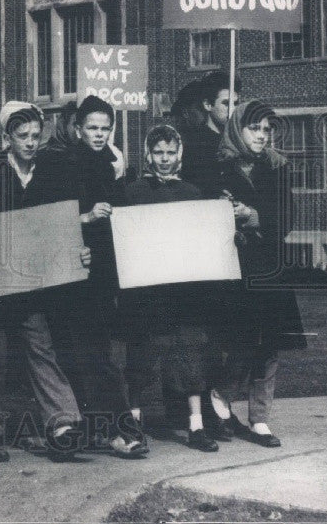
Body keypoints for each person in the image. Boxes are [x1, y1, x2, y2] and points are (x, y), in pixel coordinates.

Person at [26, 96, 148, 458]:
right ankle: (115, 429)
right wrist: (85, 217)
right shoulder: (55, 163)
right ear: (77, 128)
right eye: (92, 128)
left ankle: (101, 429)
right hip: (66, 273)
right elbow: (37, 219)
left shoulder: (110, 164)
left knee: (94, 352)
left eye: (105, 128)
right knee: (85, 353)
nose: (99, 134)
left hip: (100, 275)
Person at [0, 102, 85, 463]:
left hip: (34, 284)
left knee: (41, 350)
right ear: (6, 138)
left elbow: (60, 224)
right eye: (23, 136)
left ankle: (64, 425)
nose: (31, 142)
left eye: (36, 135)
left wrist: (76, 250)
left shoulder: (50, 173)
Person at [208, 100, 306, 448]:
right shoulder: (216, 169)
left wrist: (253, 215)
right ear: (238, 129)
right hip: (235, 267)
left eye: (267, 130)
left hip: (271, 267)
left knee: (271, 345)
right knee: (242, 341)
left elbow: (287, 219)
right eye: (255, 128)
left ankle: (260, 418)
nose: (263, 136)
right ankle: (220, 397)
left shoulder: (277, 168)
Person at [122, 124, 219, 453]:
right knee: (142, 358)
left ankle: (196, 425)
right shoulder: (133, 192)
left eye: (170, 153)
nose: (164, 159)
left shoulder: (192, 192)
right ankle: (133, 425)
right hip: (146, 291)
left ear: (179, 155)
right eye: (158, 152)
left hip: (181, 290)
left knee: (190, 354)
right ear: (149, 154)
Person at [180, 70, 242, 196]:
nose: (233, 110)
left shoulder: (240, 141)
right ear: (208, 105)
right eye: (226, 103)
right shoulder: (194, 145)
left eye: (235, 104)